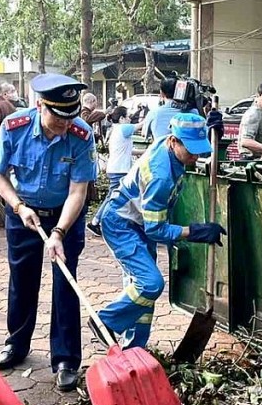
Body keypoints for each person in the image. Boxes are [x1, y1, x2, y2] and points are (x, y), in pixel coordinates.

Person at [0, 73, 97, 392]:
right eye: (57, 117)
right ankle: (16, 345)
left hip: (65, 216)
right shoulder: (14, 127)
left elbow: (79, 190)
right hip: (24, 214)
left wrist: (60, 231)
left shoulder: (81, 134)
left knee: (65, 283)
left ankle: (65, 360)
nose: (64, 125)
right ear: (39, 105)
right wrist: (20, 207)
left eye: (70, 117)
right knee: (22, 280)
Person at [95, 113, 225, 348]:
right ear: (174, 141)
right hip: (121, 224)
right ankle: (106, 320)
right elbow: (155, 229)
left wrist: (217, 137)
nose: (195, 156)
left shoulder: (167, 143)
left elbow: (192, 137)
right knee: (150, 284)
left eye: (199, 149)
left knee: (142, 294)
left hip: (137, 223)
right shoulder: (160, 176)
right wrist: (193, 232)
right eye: (191, 150)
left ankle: (134, 348)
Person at [87, 105, 134, 236]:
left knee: (117, 196)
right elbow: (141, 124)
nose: (130, 119)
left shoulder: (117, 130)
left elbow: (127, 150)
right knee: (113, 197)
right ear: (122, 118)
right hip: (119, 170)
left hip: (117, 168)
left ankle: (104, 222)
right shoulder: (123, 128)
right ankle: (96, 221)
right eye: (128, 116)